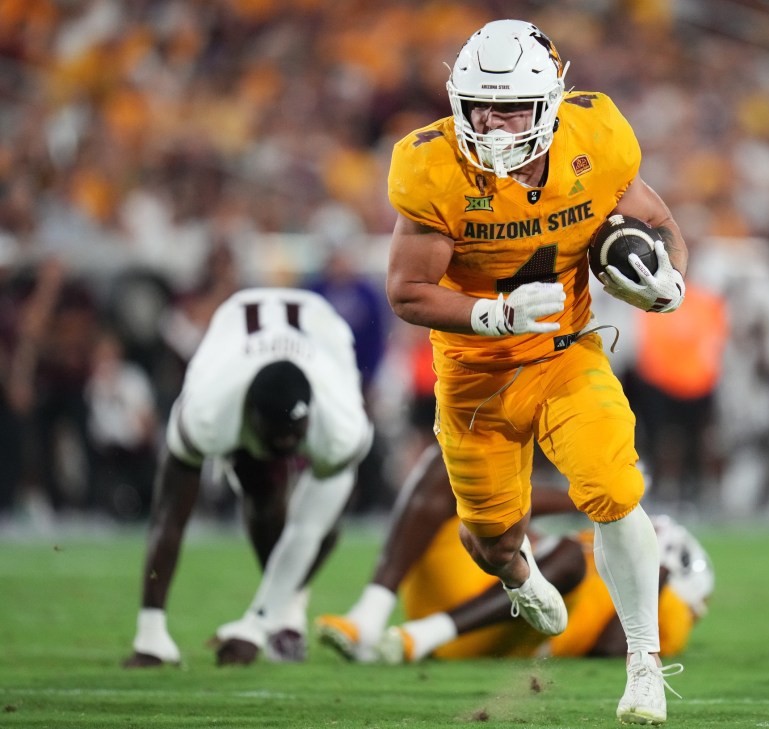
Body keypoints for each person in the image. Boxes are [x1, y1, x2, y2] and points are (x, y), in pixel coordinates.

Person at [383, 19, 689, 725]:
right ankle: (520, 576)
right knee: (490, 536)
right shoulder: (432, 168)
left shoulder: (596, 138)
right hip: (475, 374)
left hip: (564, 352)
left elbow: (658, 221)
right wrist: (495, 316)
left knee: (615, 487)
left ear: (551, 102)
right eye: (479, 105)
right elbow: (406, 292)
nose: (492, 122)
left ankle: (643, 663)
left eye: (512, 106)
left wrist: (669, 280)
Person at [122, 287, 373, 668]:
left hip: (320, 329)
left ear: (310, 416)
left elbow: (308, 529)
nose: (287, 445)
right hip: (234, 326)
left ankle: (285, 612)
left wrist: (253, 627)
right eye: (276, 435)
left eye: (295, 434)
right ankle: (156, 633)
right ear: (249, 416)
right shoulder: (208, 411)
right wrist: (149, 634)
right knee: (260, 488)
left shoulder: (341, 426)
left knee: (324, 517)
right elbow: (168, 517)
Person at [314, 444, 711, 664]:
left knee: (567, 558)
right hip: (471, 591)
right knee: (450, 465)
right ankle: (370, 612)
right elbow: (514, 507)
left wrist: (657, 575)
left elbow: (611, 647)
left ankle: (422, 635)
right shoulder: (595, 543)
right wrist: (590, 499)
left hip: (498, 634)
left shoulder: (670, 600)